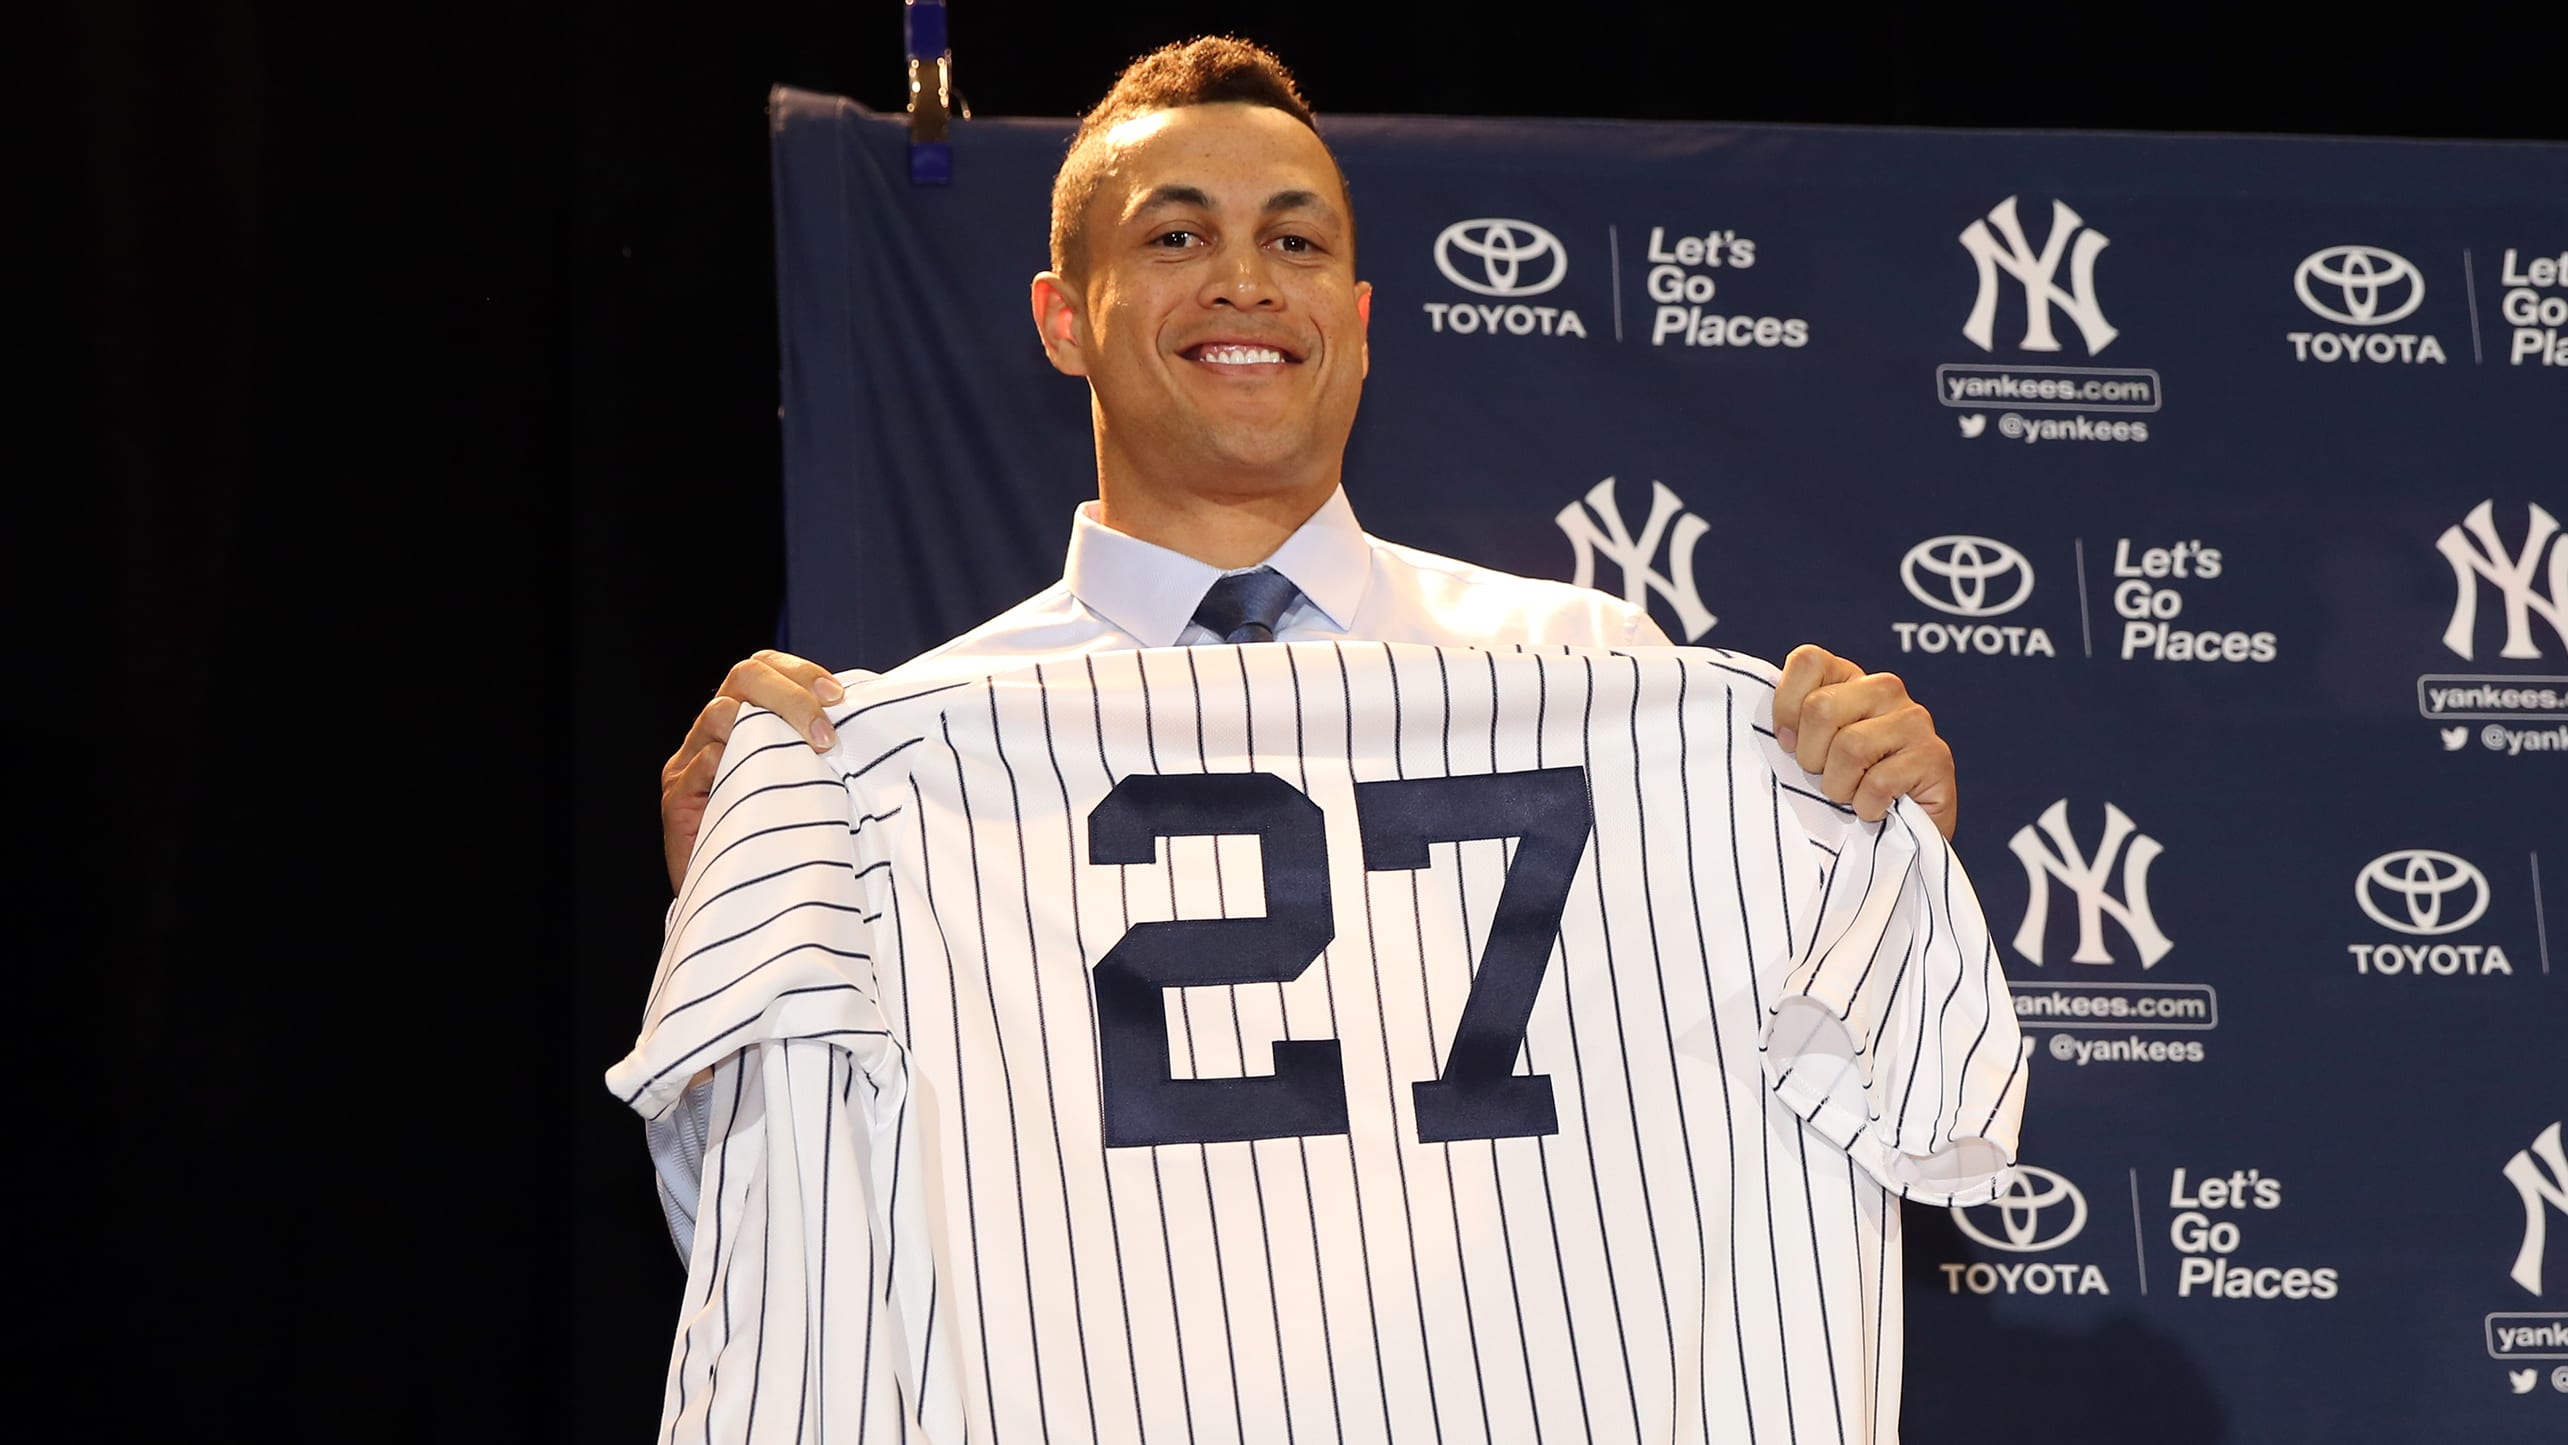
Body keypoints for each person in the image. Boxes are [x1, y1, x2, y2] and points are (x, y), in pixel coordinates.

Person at [617, 38, 2015, 1442]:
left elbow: (1906, 1101)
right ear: (1061, 315)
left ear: (1355, 314)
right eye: (1177, 235)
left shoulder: (1604, 674)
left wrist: (1873, 838)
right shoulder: (889, 767)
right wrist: (742, 898)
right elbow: (774, 1241)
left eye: (1294, 238)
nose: (1246, 279)